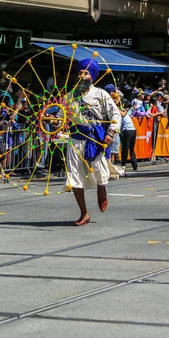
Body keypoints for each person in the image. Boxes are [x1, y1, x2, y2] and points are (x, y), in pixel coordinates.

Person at [66, 59, 121, 226]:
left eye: (86, 73)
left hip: (94, 139)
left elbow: (115, 114)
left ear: (93, 76)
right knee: (73, 177)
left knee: (100, 173)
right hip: (75, 139)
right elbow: (63, 116)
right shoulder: (69, 96)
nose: (82, 76)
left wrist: (111, 132)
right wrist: (56, 122)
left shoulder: (101, 94)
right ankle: (84, 213)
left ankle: (101, 188)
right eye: (80, 72)